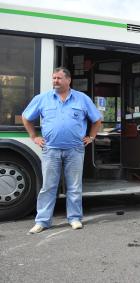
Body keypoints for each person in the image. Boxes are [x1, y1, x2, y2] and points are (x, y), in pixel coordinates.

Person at [22, 67, 102, 234]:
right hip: (51, 150)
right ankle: (43, 221)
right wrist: (34, 137)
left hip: (75, 150)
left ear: (68, 80)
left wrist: (92, 137)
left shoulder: (82, 99)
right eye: (53, 78)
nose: (55, 81)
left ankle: (74, 218)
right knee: (48, 187)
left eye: (58, 78)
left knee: (74, 186)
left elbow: (97, 120)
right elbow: (26, 117)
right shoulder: (43, 99)